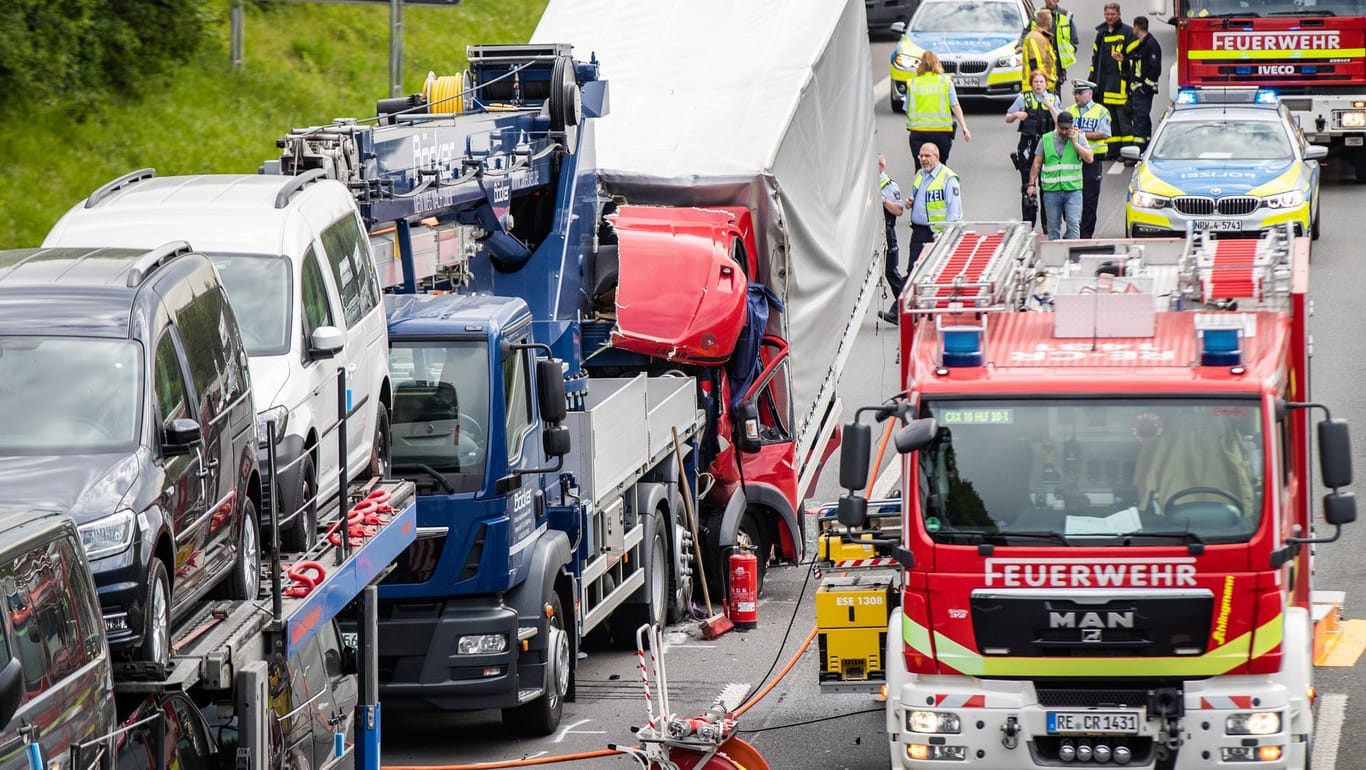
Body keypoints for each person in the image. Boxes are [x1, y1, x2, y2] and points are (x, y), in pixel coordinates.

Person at [880, 143, 961, 324]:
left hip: (938, 234)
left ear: (937, 156)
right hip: (919, 232)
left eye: (927, 156)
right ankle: (902, 312)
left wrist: (948, 236)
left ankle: (908, 311)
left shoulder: (948, 179)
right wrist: (911, 202)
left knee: (936, 274)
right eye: (921, 156)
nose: (923, 159)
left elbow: (954, 213)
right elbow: (919, 197)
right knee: (913, 273)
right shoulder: (920, 175)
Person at [1006, 69, 1062, 225]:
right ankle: (1028, 222)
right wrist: (1017, 115)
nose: (1038, 85)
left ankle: (1047, 223)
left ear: (1046, 84)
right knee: (1027, 183)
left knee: (1047, 185)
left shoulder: (1052, 98)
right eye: (1036, 82)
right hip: (1028, 144)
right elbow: (1008, 117)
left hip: (1047, 143)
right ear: (1031, 84)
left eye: (1041, 82)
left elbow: (1060, 121)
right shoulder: (1023, 98)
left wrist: (1050, 106)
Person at [1027, 111, 1093, 240]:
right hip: (1052, 192)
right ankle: (1055, 257)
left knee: (1073, 225)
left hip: (1073, 191)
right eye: (1061, 128)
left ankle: (1073, 257)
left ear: (1072, 127)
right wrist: (1031, 184)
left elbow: (1089, 158)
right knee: (1053, 228)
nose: (1064, 132)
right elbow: (1037, 163)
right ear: (1056, 125)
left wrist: (1075, 144)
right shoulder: (1045, 139)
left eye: (1067, 129)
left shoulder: (1079, 138)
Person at [905, 51, 972, 165]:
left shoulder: (912, 83)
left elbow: (907, 108)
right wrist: (964, 128)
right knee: (940, 166)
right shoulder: (945, 82)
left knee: (920, 166)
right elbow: (955, 106)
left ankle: (921, 182)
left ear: (920, 64)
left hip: (918, 132)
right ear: (937, 64)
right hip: (941, 133)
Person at [1088, 2, 1135, 160]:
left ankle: (1127, 151)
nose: (1109, 17)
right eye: (1107, 14)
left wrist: (1124, 60)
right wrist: (1092, 81)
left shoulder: (1127, 33)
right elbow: (1095, 60)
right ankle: (1113, 150)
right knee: (1110, 120)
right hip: (1104, 85)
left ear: (1119, 14)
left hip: (1120, 86)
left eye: (1112, 14)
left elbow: (1134, 59)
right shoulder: (1101, 34)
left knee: (1124, 120)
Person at [1067, 80, 1111, 239]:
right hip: (1072, 160)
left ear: (1089, 94)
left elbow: (1105, 133)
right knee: (1070, 197)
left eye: (1080, 93)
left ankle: (1085, 235)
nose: (1076, 97)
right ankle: (1073, 231)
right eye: (1075, 93)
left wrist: (1082, 134)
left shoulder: (1101, 111)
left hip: (1092, 162)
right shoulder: (1069, 110)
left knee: (1089, 200)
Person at [1018, 0, 1080, 94]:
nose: (1049, 1)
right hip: (1041, 57)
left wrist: (1068, 53)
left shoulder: (1066, 16)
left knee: (1055, 89)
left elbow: (1074, 40)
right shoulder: (1038, 14)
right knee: (1043, 91)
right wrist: (1020, 45)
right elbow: (1027, 31)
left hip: (1057, 61)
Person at [1126, 16, 1162, 161]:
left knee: (1140, 120)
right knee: (1142, 119)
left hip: (1143, 91)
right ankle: (1145, 147)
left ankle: (1139, 151)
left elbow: (1155, 69)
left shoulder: (1151, 44)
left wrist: (1144, 88)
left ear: (1136, 27)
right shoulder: (1141, 44)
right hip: (1138, 90)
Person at [878, 153, 907, 321]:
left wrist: (883, 201)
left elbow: (899, 210)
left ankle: (902, 306)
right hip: (872, 234)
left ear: (881, 166)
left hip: (887, 234)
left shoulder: (889, 186)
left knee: (890, 271)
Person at [1019, 9, 1059, 93]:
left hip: (1039, 87)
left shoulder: (1040, 36)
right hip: (1038, 90)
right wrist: (1041, 84)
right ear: (1049, 22)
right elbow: (1036, 63)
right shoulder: (1036, 38)